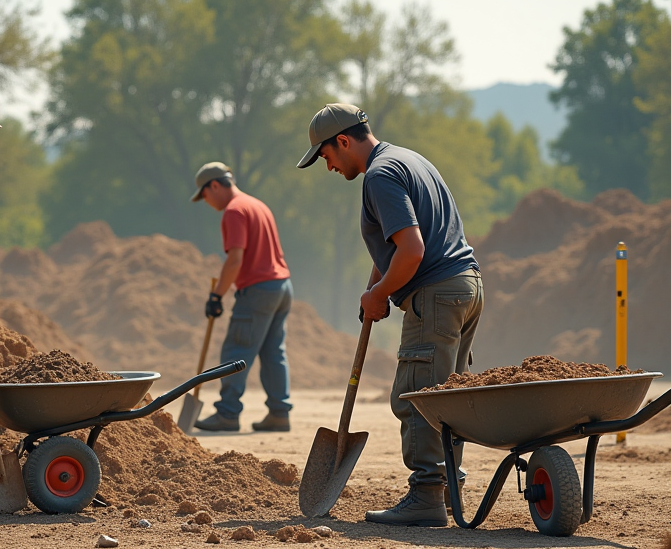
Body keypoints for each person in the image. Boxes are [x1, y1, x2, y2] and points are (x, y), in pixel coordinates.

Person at [298, 103, 483, 526]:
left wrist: (382, 293)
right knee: (446, 396)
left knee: (416, 395)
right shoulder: (409, 160)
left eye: (325, 156)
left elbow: (413, 250)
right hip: (466, 286)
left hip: (435, 293)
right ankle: (449, 486)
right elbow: (394, 247)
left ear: (343, 141)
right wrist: (374, 290)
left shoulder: (379, 177)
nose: (327, 166)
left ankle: (426, 497)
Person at [190, 162, 294, 433]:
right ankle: (279, 413)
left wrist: (216, 296)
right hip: (282, 287)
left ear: (214, 185)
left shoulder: (234, 211)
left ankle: (227, 413)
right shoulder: (257, 205)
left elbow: (235, 259)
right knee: (273, 353)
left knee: (236, 349)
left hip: (258, 291)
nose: (206, 201)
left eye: (204, 195)